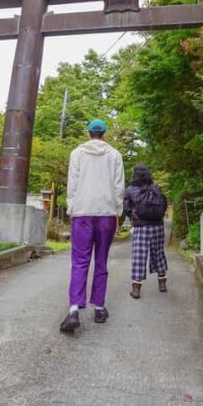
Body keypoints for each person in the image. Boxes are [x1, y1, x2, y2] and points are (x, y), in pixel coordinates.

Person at [59, 119, 125, 332]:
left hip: (82, 213)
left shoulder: (77, 154)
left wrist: (72, 207)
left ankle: (73, 310)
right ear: (104, 133)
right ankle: (99, 307)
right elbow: (119, 187)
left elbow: (73, 184)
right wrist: (118, 211)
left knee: (79, 261)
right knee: (101, 261)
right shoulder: (114, 155)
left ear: (88, 133)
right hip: (106, 213)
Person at [122, 163, 168, 299]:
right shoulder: (156, 188)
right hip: (157, 226)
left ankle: (136, 289)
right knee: (158, 254)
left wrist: (133, 218)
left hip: (140, 227)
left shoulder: (130, 189)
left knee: (139, 256)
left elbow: (126, 208)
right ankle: (162, 284)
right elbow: (164, 204)